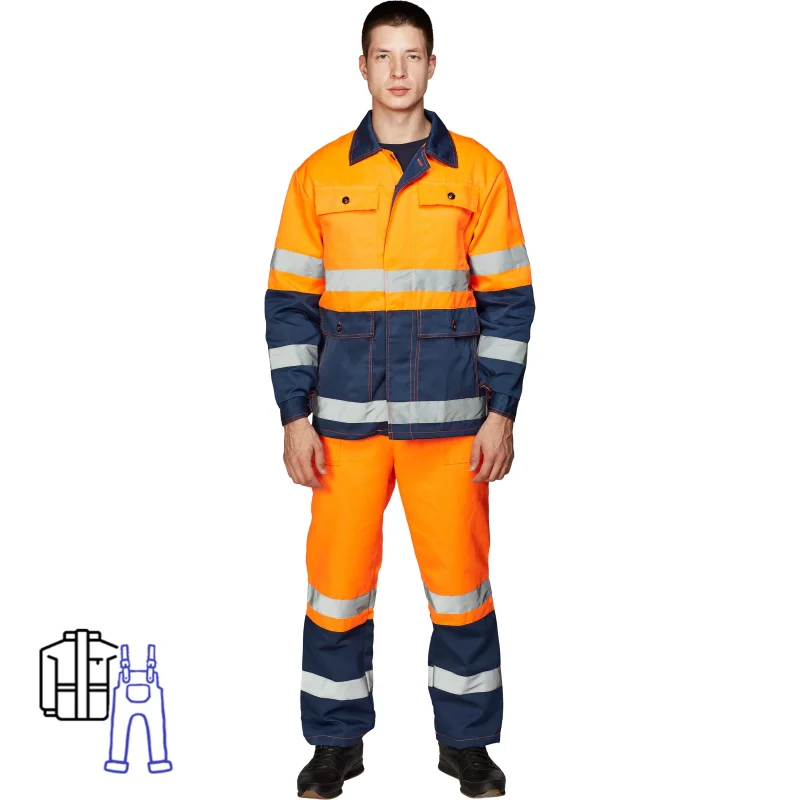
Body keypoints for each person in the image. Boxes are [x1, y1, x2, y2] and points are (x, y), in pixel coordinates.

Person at [264, 2, 535, 797]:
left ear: (432, 66)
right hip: (344, 429)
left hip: (452, 428)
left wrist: (502, 414)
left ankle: (467, 745)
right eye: (383, 55)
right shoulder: (319, 175)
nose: (397, 71)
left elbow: (509, 302)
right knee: (337, 591)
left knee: (461, 592)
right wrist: (293, 417)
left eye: (412, 55)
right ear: (362, 67)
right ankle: (335, 745)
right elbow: (289, 306)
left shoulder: (477, 173)